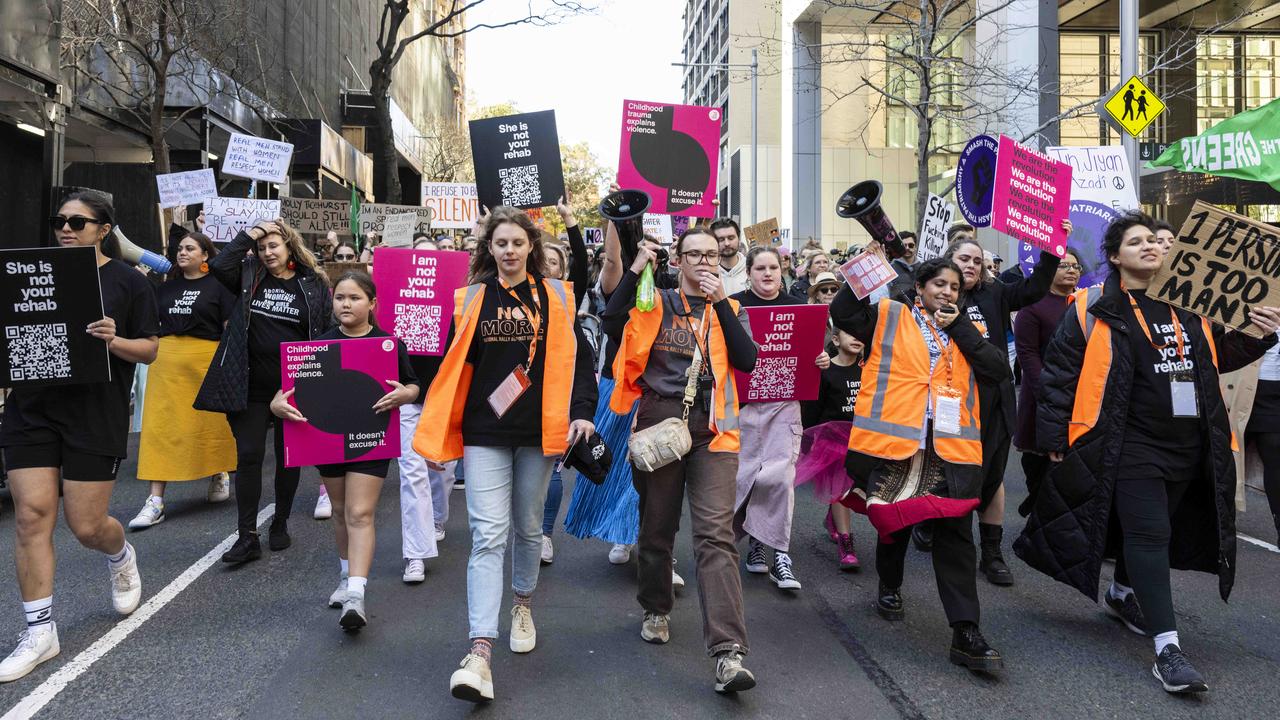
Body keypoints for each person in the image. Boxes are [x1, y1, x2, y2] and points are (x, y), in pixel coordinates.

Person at [1015, 211, 1280, 694]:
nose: (1150, 247)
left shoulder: (1191, 305)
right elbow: (1058, 376)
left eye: (1155, 242)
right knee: (1150, 534)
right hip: (1127, 444)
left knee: (1165, 525)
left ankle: (1121, 593)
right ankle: (1168, 649)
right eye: (1136, 242)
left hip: (1191, 445)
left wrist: (1259, 335)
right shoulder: (1091, 307)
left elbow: (1219, 358)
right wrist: (1053, 437)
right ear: (1116, 257)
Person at [414, 206, 596, 703]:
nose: (510, 250)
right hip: (483, 431)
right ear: (488, 248)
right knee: (487, 534)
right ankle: (479, 649)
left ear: (530, 248)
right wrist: (417, 392)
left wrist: (582, 409)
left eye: (518, 242)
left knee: (529, 526)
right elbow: (450, 361)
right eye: (501, 243)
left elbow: (578, 359)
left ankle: (521, 603)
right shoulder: (472, 298)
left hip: (539, 430)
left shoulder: (556, 294)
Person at [0, 192, 158, 682]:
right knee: (30, 516)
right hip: (32, 407)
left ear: (104, 229)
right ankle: (39, 630)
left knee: (86, 525)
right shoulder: (26, 274)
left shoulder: (128, 281)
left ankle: (120, 554)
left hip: (95, 412)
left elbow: (150, 351)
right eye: (59, 221)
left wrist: (115, 339)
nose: (66, 229)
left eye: (78, 222)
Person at [830, 252, 1011, 672]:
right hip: (897, 444)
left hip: (950, 449)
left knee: (956, 534)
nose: (947, 292)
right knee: (894, 525)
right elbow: (843, 311)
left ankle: (966, 632)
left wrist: (961, 328)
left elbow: (997, 369)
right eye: (938, 285)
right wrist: (875, 263)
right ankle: (890, 584)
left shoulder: (968, 327)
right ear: (919, 288)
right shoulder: (889, 316)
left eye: (954, 287)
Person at [603, 226, 758, 694]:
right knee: (657, 527)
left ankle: (728, 652)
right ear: (678, 260)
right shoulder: (657, 300)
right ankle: (655, 606)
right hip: (658, 427)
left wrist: (723, 301)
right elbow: (612, 321)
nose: (705, 263)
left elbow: (748, 359)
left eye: (712, 255)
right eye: (694, 255)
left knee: (716, 536)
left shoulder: (730, 308)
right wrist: (635, 267)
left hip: (713, 433)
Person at [272, 271, 418, 630]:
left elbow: (413, 384)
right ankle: (345, 576)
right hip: (328, 441)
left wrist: (407, 393)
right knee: (339, 511)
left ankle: (356, 593)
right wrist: (277, 406)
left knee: (360, 512)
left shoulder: (389, 344)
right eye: (340, 298)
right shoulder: (317, 346)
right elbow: (285, 395)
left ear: (372, 304)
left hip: (371, 437)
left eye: (354, 298)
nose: (346, 304)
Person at [929, 224, 1067, 586]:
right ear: (948, 262)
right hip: (948, 402)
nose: (971, 265)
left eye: (977, 260)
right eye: (963, 259)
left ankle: (991, 552)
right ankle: (936, 526)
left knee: (992, 477)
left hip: (994, 402)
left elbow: (1036, 288)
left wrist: (1052, 249)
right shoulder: (936, 296)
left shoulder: (996, 294)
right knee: (947, 471)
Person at [195, 219, 332, 564]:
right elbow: (218, 265)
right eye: (261, 247)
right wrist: (252, 233)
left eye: (274, 245)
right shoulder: (249, 276)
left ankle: (280, 522)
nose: (267, 252)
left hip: (295, 385)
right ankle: (247, 536)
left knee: (288, 457)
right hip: (249, 384)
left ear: (289, 246)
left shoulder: (312, 283)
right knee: (249, 455)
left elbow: (326, 329)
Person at [731, 246, 828, 591]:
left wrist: (821, 360)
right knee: (744, 477)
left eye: (773, 266)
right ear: (749, 272)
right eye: (761, 267)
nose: (768, 273)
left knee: (779, 479)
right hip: (743, 406)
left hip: (786, 404)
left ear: (782, 269)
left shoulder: (799, 308)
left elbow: (816, 349)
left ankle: (780, 555)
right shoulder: (733, 305)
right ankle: (754, 540)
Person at [128, 231, 237, 529]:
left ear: (205, 255)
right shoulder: (165, 288)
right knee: (161, 428)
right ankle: (155, 500)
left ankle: (218, 472)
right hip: (166, 364)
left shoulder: (219, 287)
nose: (182, 252)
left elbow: (228, 328)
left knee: (211, 424)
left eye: (190, 248)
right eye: (179, 248)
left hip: (206, 361)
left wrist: (230, 364)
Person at [538, 197, 589, 564]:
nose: (547, 267)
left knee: (552, 465)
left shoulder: (568, 297)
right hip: (521, 394)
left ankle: (543, 533)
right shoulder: (514, 294)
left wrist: (570, 221)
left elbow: (584, 269)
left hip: (558, 389)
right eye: (542, 261)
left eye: (554, 262)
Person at [1011, 249, 1081, 516]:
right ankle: (1038, 506)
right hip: (1042, 394)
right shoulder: (1034, 305)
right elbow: (1027, 353)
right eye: (1064, 265)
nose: (1071, 270)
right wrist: (1049, 391)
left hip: (1077, 393)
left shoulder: (1084, 304)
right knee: (1039, 462)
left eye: (1076, 266)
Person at [799, 327, 864, 570]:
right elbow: (814, 408)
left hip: (861, 440)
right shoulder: (827, 371)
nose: (857, 338)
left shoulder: (867, 369)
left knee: (855, 490)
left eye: (860, 335)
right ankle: (847, 545)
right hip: (832, 442)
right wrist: (809, 437)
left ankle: (832, 518)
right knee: (840, 488)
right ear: (835, 340)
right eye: (850, 334)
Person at [709, 218, 747, 296]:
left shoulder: (752, 268)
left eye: (731, 238)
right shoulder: (707, 271)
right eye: (721, 239)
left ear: (738, 239)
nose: (727, 243)